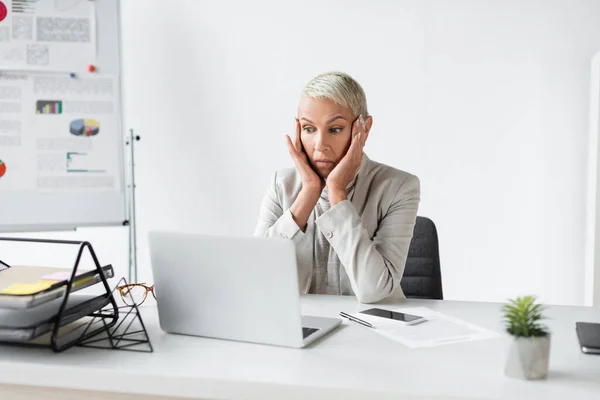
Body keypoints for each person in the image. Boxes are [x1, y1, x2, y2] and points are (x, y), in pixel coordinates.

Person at [254, 71, 420, 303]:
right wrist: (309, 192)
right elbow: (254, 279)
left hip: (371, 329)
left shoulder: (399, 187)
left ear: (364, 128)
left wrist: (337, 193)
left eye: (335, 129)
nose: (320, 146)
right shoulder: (281, 184)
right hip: (299, 327)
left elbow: (374, 291)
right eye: (309, 129)